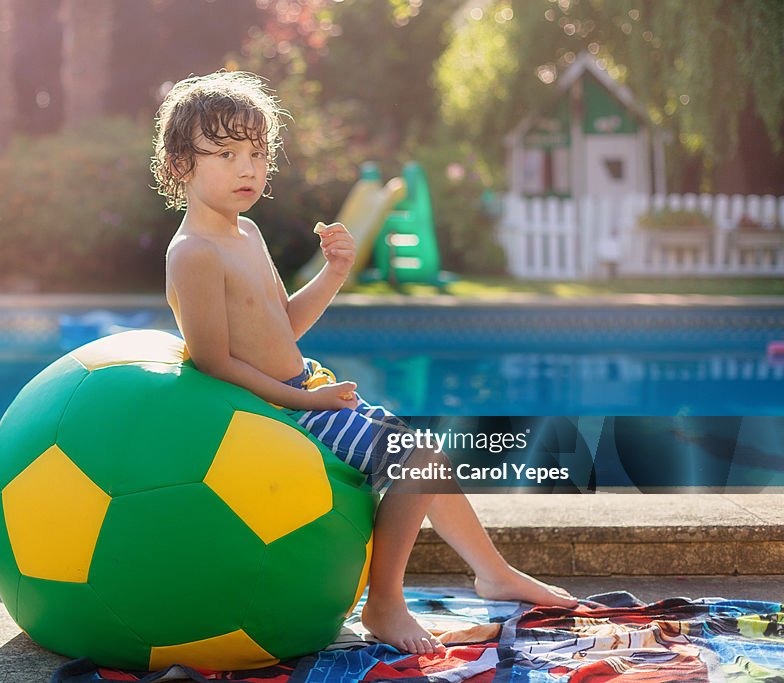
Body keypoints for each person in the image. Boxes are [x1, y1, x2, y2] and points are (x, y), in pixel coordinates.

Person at [152, 71, 577, 656]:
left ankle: (493, 573)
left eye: (256, 153)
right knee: (418, 458)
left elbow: (284, 324)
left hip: (301, 389)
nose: (247, 168)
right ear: (181, 164)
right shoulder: (193, 252)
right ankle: (384, 604)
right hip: (275, 408)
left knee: (422, 452)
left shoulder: (245, 233)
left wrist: (334, 274)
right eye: (225, 154)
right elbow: (213, 360)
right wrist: (307, 401)